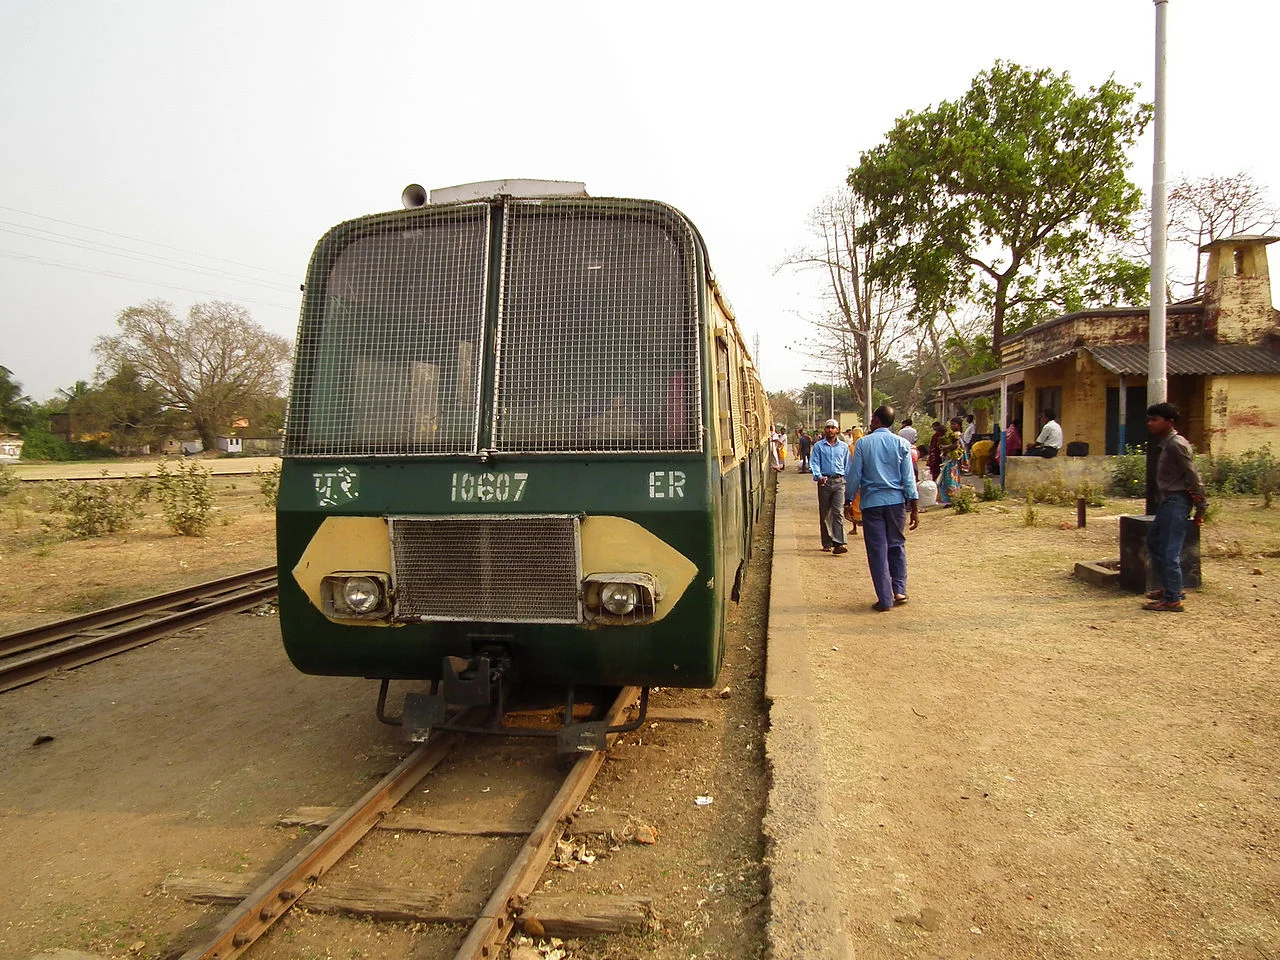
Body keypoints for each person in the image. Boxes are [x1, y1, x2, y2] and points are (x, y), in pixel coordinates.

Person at [846, 405, 919, 612]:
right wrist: (914, 507)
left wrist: (848, 500)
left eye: (872, 418)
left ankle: (885, 599)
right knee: (896, 545)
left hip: (872, 504)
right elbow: (909, 479)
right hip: (896, 504)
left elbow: (854, 476)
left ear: (877, 419)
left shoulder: (863, 444)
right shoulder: (902, 444)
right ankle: (899, 590)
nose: (870, 421)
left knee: (877, 550)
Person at [1143, 402, 1207, 612]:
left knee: (1170, 550)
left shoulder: (1176, 444)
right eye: (1150, 419)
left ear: (1169, 422)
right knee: (1154, 542)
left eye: (1155, 420)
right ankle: (1171, 588)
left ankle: (1172, 599)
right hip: (1168, 501)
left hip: (1178, 501)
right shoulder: (1167, 443)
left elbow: (1192, 474)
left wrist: (1200, 503)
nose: (1150, 424)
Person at [810, 419, 850, 554]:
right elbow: (814, 463)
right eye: (828, 427)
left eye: (833, 428)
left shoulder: (844, 447)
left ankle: (838, 543)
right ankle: (827, 542)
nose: (830, 430)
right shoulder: (818, 446)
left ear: (837, 430)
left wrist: (847, 481)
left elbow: (847, 466)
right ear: (824, 430)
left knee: (838, 512)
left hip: (839, 482)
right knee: (825, 513)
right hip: (824, 482)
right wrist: (818, 475)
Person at [936, 418, 963, 506]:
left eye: (954, 424)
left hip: (951, 460)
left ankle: (952, 499)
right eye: (951, 424)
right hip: (949, 459)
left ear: (959, 425)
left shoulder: (957, 434)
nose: (952, 426)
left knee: (950, 479)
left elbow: (955, 446)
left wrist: (945, 448)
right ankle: (949, 499)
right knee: (947, 479)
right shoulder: (951, 435)